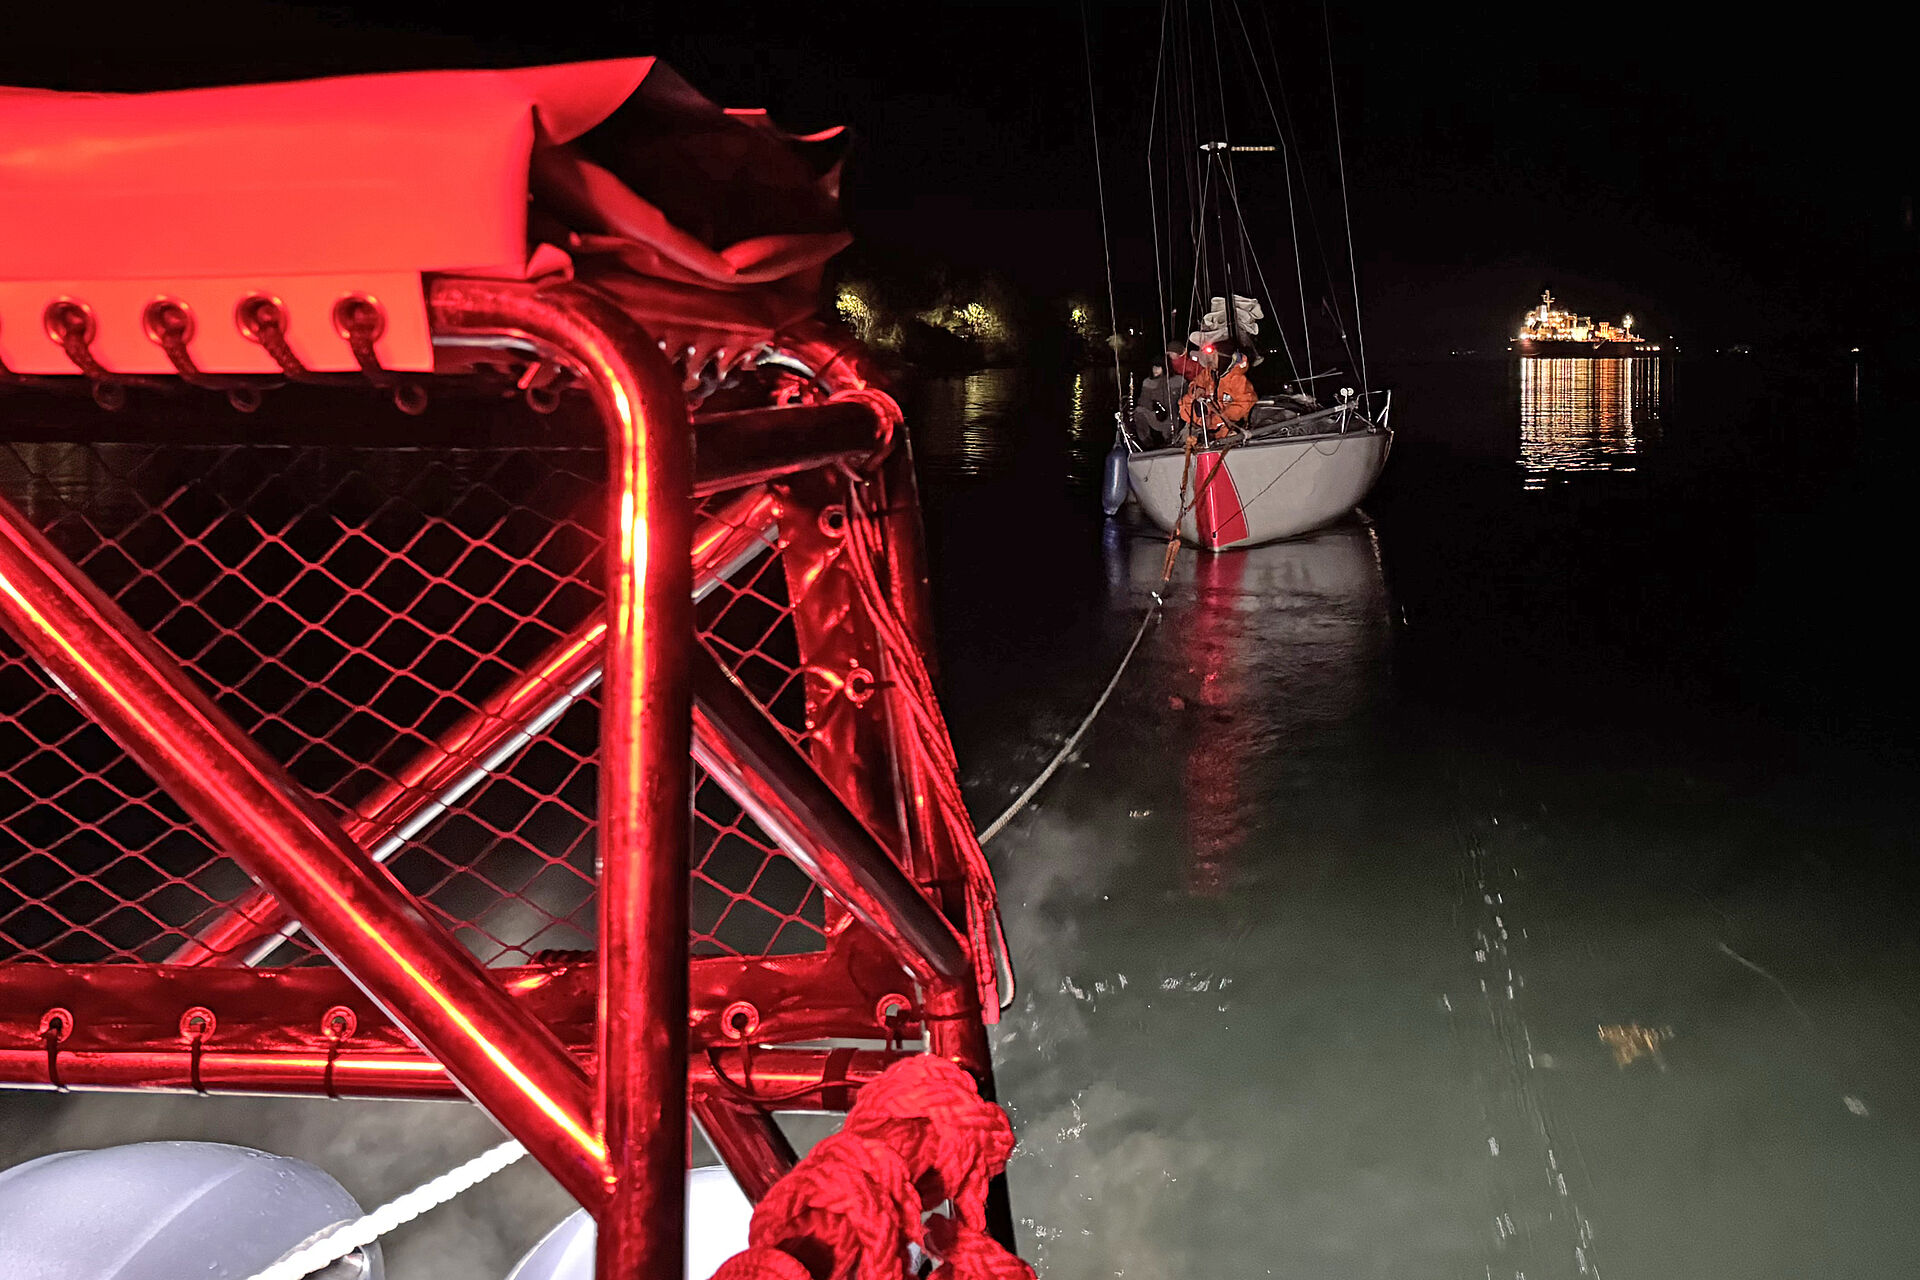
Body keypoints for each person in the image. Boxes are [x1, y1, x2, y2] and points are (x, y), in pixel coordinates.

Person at [1134, 363, 1180, 446]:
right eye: (1153, 367)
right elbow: (1143, 400)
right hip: (1156, 415)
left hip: (1174, 416)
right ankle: (1146, 442)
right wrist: (1154, 405)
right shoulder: (1148, 382)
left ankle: (1172, 439)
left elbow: (1184, 396)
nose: (1155, 370)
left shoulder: (1178, 380)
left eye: (1158, 367)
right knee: (1138, 411)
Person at [1215, 351, 1256, 437]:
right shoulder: (1210, 375)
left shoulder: (1238, 379)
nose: (1209, 360)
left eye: (1213, 357)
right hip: (1209, 429)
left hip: (1233, 430)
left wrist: (1218, 419)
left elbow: (1244, 404)